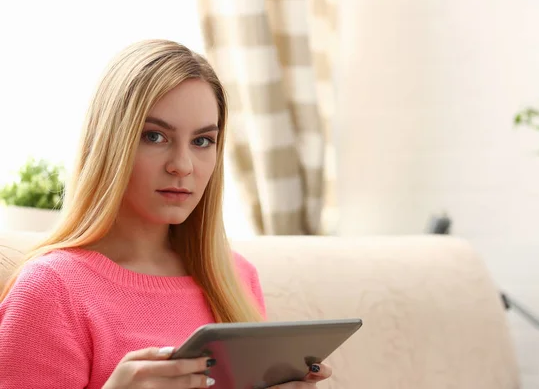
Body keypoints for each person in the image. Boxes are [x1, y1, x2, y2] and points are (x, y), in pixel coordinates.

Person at [0, 39, 332, 389]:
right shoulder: (51, 291)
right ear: (111, 142)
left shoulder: (237, 277)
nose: (182, 166)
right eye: (155, 136)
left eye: (202, 141)